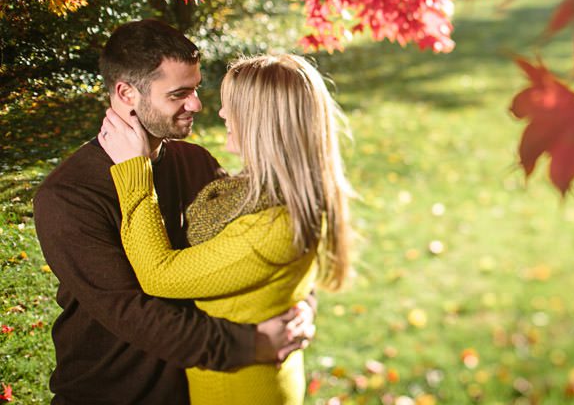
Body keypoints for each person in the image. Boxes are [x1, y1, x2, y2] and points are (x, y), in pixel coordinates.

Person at [33, 20, 315, 404]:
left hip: (197, 388)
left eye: (195, 89)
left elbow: (257, 246)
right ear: (126, 93)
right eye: (179, 93)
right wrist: (250, 346)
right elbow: (131, 311)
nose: (197, 104)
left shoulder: (195, 162)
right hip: (111, 392)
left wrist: (297, 305)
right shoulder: (69, 195)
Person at [98, 53, 353, 405]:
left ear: (265, 122)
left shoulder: (272, 224)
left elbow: (159, 274)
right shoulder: (279, 193)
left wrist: (134, 170)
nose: (220, 113)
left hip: (239, 391)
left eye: (233, 106)